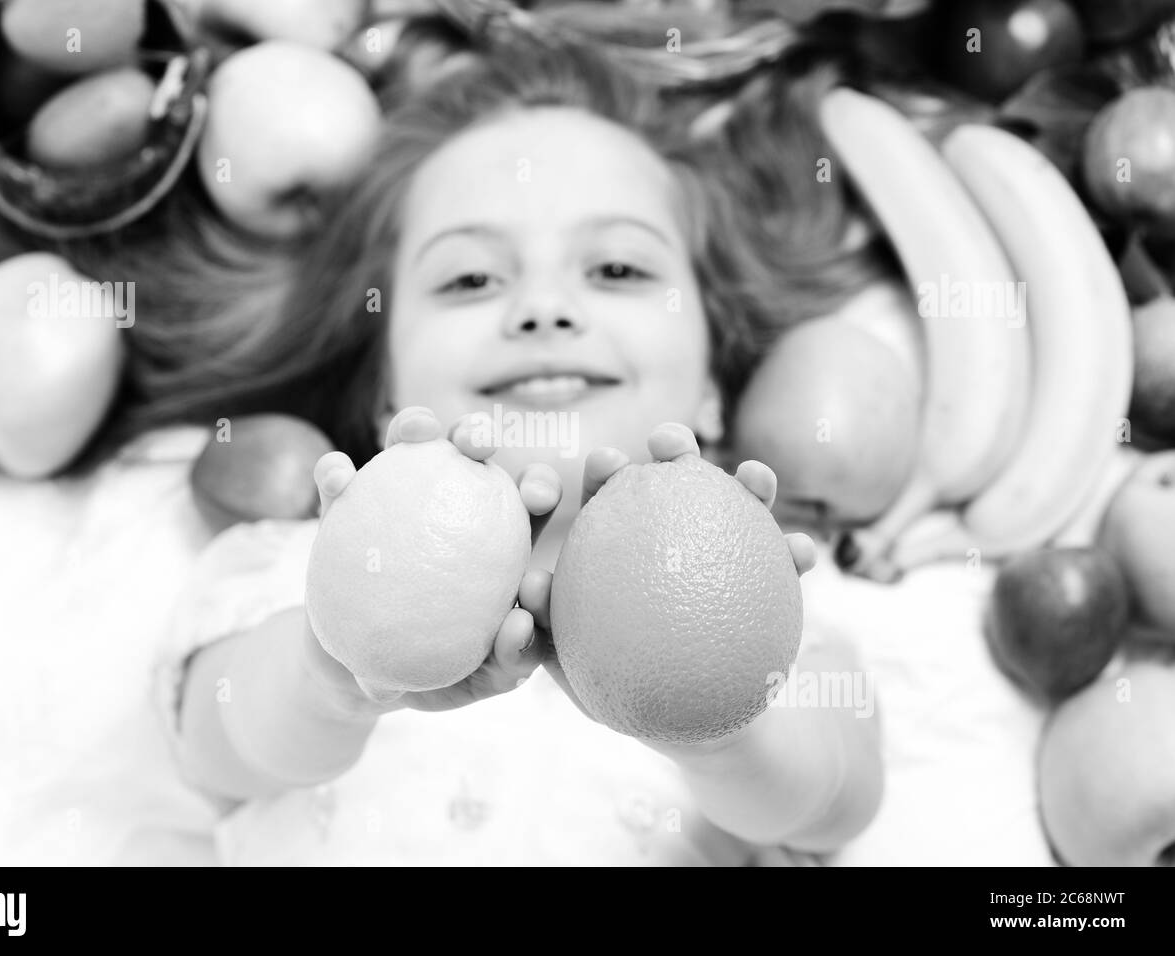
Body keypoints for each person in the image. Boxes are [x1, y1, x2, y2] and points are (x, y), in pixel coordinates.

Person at [162, 32, 885, 865]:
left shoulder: (776, 614)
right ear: (385, 386)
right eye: (470, 279)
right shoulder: (299, 570)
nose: (544, 307)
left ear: (717, 380)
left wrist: (718, 726)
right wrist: (332, 675)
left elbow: (835, 806)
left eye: (616, 268)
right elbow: (212, 742)